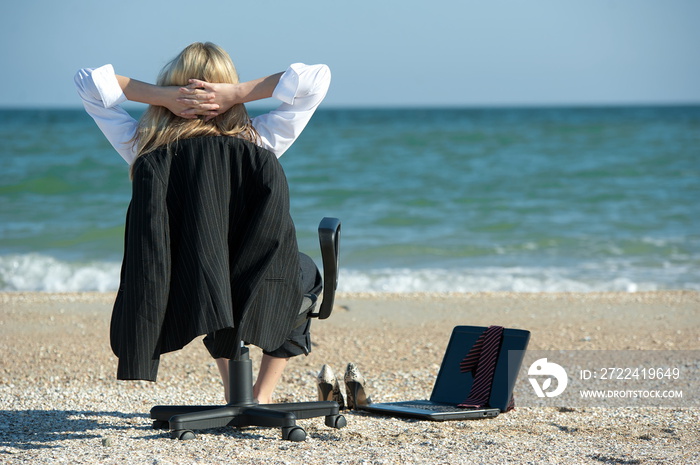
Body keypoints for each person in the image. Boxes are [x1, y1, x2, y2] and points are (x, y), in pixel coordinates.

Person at [75, 42, 331, 404]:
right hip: (254, 282)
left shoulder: (144, 146)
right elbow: (317, 79)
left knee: (214, 279)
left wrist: (160, 96)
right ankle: (260, 395)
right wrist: (239, 93)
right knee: (302, 270)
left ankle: (235, 394)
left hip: (188, 287)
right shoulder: (260, 141)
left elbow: (88, 83)